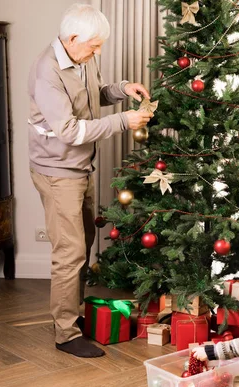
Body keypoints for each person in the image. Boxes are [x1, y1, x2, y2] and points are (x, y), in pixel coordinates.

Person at [28, 3, 153, 358]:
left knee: (82, 243)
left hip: (80, 167)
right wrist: (122, 122)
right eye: (94, 46)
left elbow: (90, 96)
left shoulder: (80, 56)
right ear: (71, 39)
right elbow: (67, 129)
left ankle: (73, 316)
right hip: (57, 172)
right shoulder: (46, 72)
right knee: (70, 253)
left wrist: (122, 89)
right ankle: (65, 333)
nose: (98, 52)